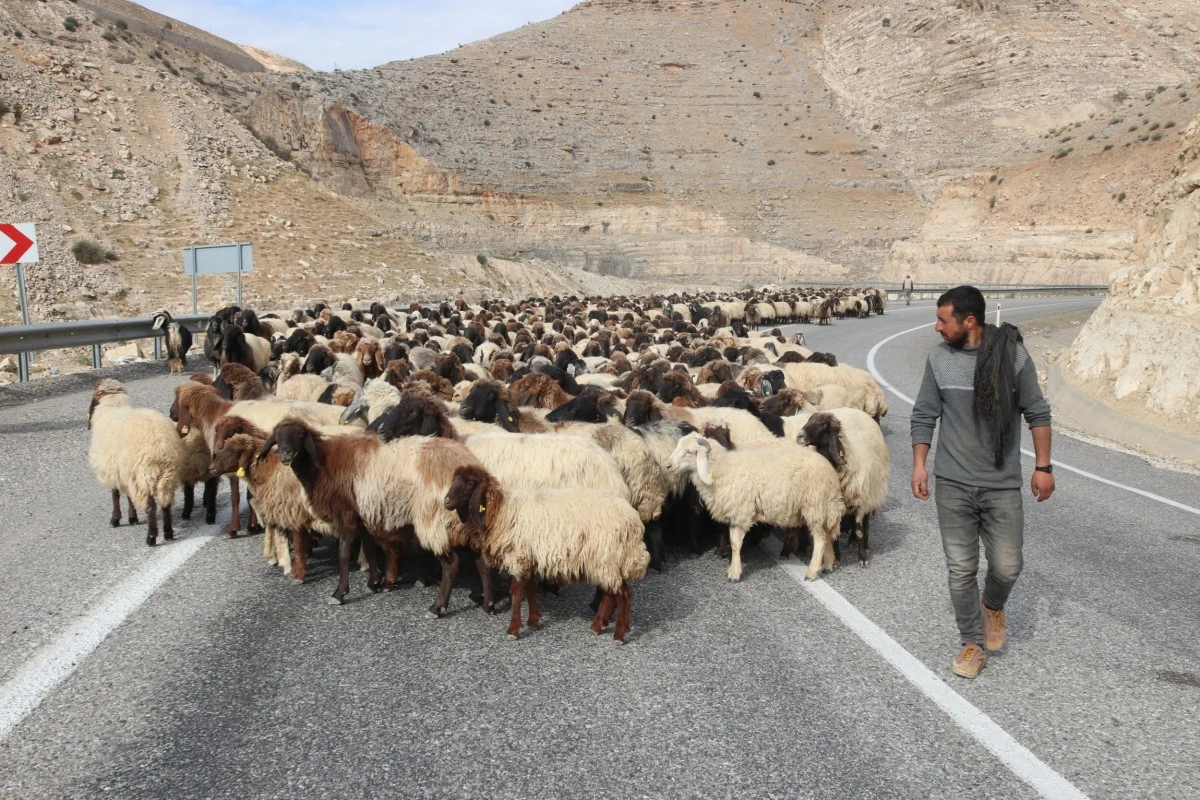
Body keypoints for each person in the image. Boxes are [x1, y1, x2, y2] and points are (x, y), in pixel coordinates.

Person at [910, 285, 1055, 679]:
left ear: (969, 321)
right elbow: (924, 414)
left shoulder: (1013, 357)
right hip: (953, 482)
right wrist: (920, 464)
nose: (937, 327)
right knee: (960, 568)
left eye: (943, 319)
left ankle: (992, 604)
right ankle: (971, 642)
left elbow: (1038, 413)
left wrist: (1043, 468)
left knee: (1008, 566)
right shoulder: (938, 359)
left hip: (1001, 483)